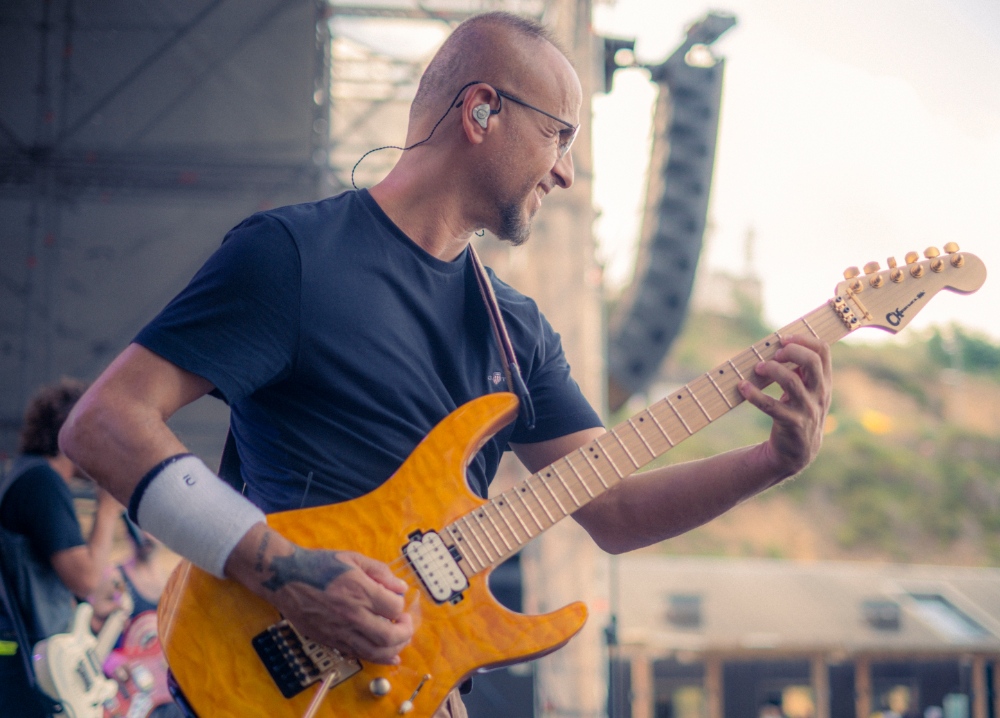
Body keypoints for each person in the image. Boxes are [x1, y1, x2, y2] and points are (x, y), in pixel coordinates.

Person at [58, 11, 831, 717]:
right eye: (560, 134)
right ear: (482, 110)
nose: (565, 172)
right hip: (273, 677)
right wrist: (288, 574)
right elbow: (103, 424)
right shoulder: (292, 257)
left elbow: (616, 511)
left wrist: (771, 461)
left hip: (418, 690)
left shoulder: (518, 330)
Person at [0, 379, 125, 717]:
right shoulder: (42, 481)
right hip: (24, 660)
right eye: (100, 437)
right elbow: (85, 579)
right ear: (75, 434)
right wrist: (108, 511)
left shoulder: (26, 475)